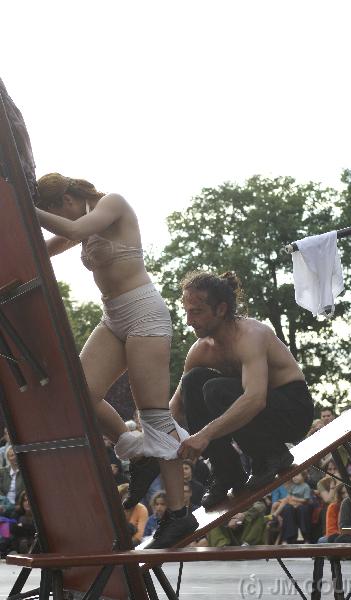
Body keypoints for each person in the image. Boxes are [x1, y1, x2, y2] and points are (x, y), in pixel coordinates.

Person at [35, 173, 197, 547]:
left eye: (54, 210)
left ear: (68, 199)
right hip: (113, 317)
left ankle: (178, 515)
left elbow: (73, 229)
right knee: (80, 393)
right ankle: (136, 453)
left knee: (154, 415)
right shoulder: (78, 220)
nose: (57, 216)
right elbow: (42, 249)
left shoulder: (112, 204)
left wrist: (26, 210)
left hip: (144, 314)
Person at [171, 271, 314, 508]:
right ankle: (226, 471)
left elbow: (255, 399)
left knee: (215, 389)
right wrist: (160, 443)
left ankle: (270, 455)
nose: (189, 321)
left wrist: (205, 434)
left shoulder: (251, 335)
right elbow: (176, 407)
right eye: (186, 311)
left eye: (196, 312)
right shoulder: (200, 350)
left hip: (293, 411)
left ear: (221, 309)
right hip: (258, 414)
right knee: (193, 382)